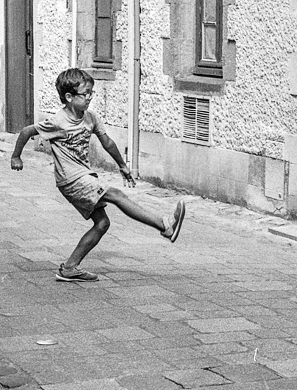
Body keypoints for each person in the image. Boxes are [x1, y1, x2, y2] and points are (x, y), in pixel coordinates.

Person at [10, 68, 186, 282]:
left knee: (102, 224)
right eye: (85, 94)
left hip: (85, 177)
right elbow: (27, 131)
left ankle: (70, 268)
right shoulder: (58, 121)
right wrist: (16, 157)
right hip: (70, 180)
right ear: (69, 97)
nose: (90, 98)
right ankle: (165, 225)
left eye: (91, 93)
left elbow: (107, 142)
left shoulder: (90, 117)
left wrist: (122, 165)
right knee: (116, 195)